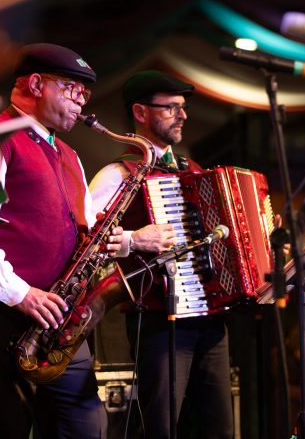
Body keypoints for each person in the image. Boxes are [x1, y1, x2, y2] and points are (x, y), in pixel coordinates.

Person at [0, 43, 123, 439]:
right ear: (37, 84)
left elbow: (87, 228)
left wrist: (127, 241)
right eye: (72, 89)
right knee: (2, 429)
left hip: (56, 323)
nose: (81, 103)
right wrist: (21, 294)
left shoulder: (70, 155)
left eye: (85, 94)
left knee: (86, 428)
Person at [90, 70, 234, 439]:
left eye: (183, 107)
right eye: (170, 108)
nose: (182, 115)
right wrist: (135, 239)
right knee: (162, 427)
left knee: (218, 427)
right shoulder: (115, 174)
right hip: (158, 318)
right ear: (140, 112)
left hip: (210, 319)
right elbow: (87, 243)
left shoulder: (195, 170)